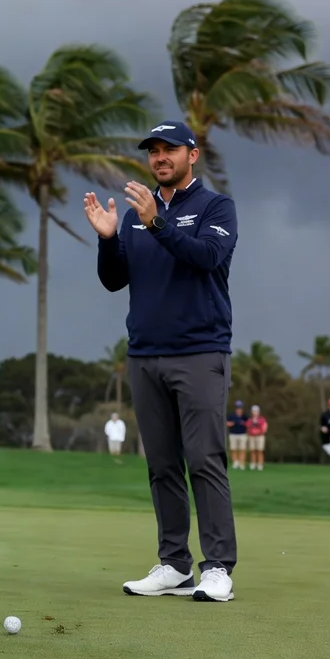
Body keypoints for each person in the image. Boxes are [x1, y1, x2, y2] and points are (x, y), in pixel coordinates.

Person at [86, 119, 239, 603]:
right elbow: (114, 282)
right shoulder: (135, 214)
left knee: (204, 460)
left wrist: (157, 221)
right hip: (146, 354)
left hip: (199, 352)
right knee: (162, 465)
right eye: (153, 151)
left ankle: (217, 567)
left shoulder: (216, 207)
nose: (160, 158)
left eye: (169, 149)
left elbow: (207, 257)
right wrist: (110, 239)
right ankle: (174, 564)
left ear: (192, 154)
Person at [226, 400, 248, 470]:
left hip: (242, 434)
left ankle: (242, 463)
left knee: (242, 449)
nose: (239, 410)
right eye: (238, 408)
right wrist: (230, 424)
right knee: (233, 449)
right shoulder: (231, 416)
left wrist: (244, 423)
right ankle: (235, 462)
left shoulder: (245, 416)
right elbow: (226, 423)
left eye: (240, 408)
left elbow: (249, 424)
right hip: (233, 434)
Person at [245, 405, 268, 471]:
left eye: (256, 411)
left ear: (258, 412)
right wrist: (252, 432)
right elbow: (247, 427)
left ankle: (260, 464)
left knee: (259, 451)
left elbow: (264, 428)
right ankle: (253, 463)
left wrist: (258, 431)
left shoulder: (262, 419)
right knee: (252, 450)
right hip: (252, 436)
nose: (255, 412)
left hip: (260, 437)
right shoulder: (250, 420)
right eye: (254, 411)